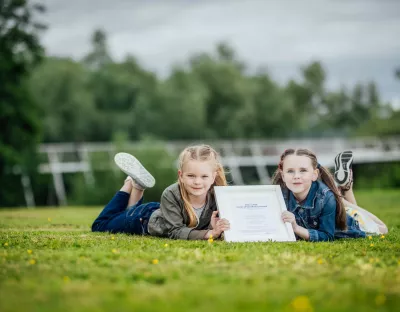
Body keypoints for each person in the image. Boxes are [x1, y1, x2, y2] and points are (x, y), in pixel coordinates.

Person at [91, 144, 230, 240]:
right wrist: (209, 233)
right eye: (191, 176)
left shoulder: (218, 197)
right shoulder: (171, 193)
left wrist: (214, 226)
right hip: (142, 219)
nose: (197, 182)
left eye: (204, 176)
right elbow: (175, 231)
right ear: (180, 175)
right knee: (100, 225)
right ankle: (129, 185)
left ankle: (138, 186)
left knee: (127, 211)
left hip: (163, 212)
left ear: (213, 176)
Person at [271, 148, 388, 242]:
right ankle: (342, 197)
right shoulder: (279, 195)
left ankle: (344, 194)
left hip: (348, 225)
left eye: (303, 170)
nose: (296, 176)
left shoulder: (325, 198)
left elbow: (327, 235)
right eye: (290, 171)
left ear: (314, 174)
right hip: (333, 206)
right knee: (339, 204)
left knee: (383, 229)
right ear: (283, 175)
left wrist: (296, 228)